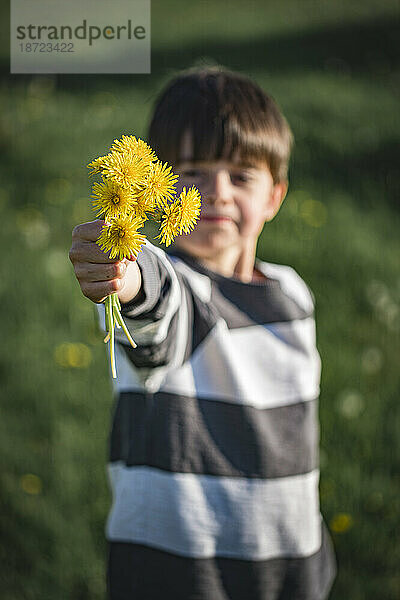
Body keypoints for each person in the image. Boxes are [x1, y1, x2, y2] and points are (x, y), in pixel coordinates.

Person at [69, 66, 337, 599]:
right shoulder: (175, 286)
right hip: (176, 565)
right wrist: (125, 275)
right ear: (156, 189)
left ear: (275, 197)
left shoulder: (293, 294)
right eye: (190, 173)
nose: (214, 192)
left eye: (240, 175)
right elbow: (156, 310)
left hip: (289, 558)